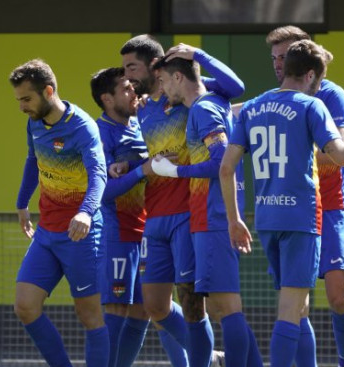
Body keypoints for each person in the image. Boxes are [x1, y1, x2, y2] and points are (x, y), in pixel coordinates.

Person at [220, 40, 344, 367]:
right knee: (291, 309)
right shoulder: (310, 106)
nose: (318, 88)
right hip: (302, 218)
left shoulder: (251, 108)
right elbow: (341, 155)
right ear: (308, 75)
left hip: (265, 219)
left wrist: (234, 219)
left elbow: (226, 168)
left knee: (299, 305)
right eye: (318, 82)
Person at [117, 35, 243, 367]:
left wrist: (198, 54)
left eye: (132, 67)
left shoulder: (191, 96)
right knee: (155, 306)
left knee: (192, 306)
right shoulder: (143, 110)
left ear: (155, 67)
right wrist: (129, 166)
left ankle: (203, 360)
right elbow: (155, 157)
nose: (127, 76)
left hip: (188, 214)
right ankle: (212, 357)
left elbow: (236, 86)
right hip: (153, 215)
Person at [150, 43, 263, 367]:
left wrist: (175, 171)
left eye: (164, 81)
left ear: (177, 77)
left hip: (213, 216)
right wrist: (197, 56)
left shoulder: (203, 108)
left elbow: (219, 162)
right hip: (208, 216)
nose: (162, 89)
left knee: (227, 307)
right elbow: (235, 86)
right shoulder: (215, 99)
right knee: (217, 307)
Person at [10, 59, 109, 367]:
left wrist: (85, 213)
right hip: (46, 233)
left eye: (26, 99)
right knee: (25, 307)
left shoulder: (82, 127)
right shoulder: (34, 123)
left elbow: (99, 174)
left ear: (48, 91)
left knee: (89, 315)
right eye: (19, 100)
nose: (22, 107)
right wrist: (22, 203)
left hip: (80, 233)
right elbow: (32, 161)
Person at [90, 67, 155, 367]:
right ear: (107, 98)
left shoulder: (139, 124)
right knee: (116, 308)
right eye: (126, 89)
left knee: (145, 309)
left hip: (144, 230)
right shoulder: (98, 133)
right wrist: (142, 169)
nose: (134, 93)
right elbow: (103, 192)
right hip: (115, 231)